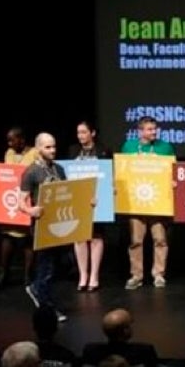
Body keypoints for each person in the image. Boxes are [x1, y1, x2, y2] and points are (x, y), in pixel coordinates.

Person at [19, 133, 72, 322]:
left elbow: (67, 194)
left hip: (59, 224)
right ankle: (47, 308)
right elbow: (20, 202)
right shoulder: (31, 172)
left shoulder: (59, 169)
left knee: (62, 265)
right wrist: (30, 210)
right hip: (42, 227)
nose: (52, 150)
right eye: (48, 147)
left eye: (54, 146)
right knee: (46, 269)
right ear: (38, 149)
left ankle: (36, 288)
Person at [121, 116, 175, 290]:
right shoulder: (128, 146)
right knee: (136, 240)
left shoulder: (165, 147)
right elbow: (122, 171)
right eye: (149, 129)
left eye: (154, 129)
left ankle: (159, 274)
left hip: (157, 202)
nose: (153, 132)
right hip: (136, 202)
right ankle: (136, 275)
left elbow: (173, 171)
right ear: (140, 131)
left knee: (160, 239)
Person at [68, 120, 112, 292]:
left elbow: (108, 174)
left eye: (84, 132)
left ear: (92, 133)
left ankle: (94, 275)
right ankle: (83, 275)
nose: (80, 136)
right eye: (78, 133)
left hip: (97, 199)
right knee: (79, 237)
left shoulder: (103, 150)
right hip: (78, 198)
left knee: (96, 236)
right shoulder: (72, 150)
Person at [0, 127, 39, 290]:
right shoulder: (9, 153)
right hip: (11, 200)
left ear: (21, 139)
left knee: (28, 240)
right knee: (7, 237)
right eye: (8, 140)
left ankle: (28, 276)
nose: (10, 143)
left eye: (12, 139)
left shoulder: (34, 153)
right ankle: (3, 274)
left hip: (27, 199)